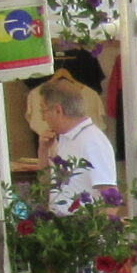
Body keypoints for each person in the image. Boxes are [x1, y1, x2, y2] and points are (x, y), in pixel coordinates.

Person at [36, 74, 116, 208]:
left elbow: (111, 196)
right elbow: (47, 184)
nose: (44, 118)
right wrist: (44, 150)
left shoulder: (92, 141)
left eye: (43, 111)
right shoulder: (66, 138)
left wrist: (96, 229)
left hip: (83, 224)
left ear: (58, 110)